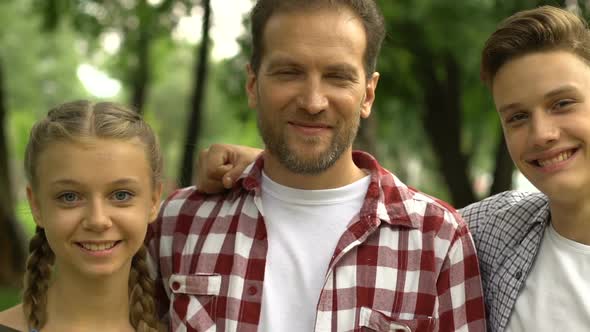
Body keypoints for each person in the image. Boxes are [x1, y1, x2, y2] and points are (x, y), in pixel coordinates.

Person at [198, 5, 590, 332]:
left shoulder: (452, 236)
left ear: (368, 92)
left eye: (563, 104)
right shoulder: (487, 233)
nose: (542, 134)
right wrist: (275, 160)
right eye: (517, 116)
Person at [146, 0, 486, 331]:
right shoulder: (180, 223)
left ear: (368, 94)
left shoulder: (438, 241)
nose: (312, 102)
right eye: (289, 73)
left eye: (338, 77)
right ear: (253, 85)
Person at [0, 101, 163, 332]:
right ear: (36, 205)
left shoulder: (191, 324)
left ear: (154, 200)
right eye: (69, 197)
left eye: (121, 194)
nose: (97, 220)